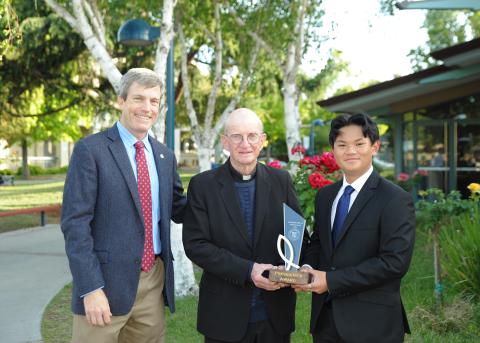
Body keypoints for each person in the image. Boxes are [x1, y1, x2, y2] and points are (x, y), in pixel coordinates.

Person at [61, 68, 186, 343]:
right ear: (121, 101)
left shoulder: (164, 156)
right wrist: (90, 288)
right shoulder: (91, 151)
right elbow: (75, 224)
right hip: (103, 286)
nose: (147, 108)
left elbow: (181, 208)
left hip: (152, 282)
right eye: (138, 99)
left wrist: (223, 189)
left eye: (154, 101)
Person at [183, 108, 304, 343]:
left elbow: (296, 233)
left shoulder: (281, 181)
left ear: (263, 140)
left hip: (275, 312)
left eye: (252, 136)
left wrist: (298, 267)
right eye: (236, 136)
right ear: (225, 141)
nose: (245, 143)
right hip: (224, 313)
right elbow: (196, 245)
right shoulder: (202, 185)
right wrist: (249, 270)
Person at [294, 113, 415, 343]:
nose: (350, 151)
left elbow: (393, 263)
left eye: (359, 144)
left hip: (373, 325)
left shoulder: (395, 199)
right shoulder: (326, 196)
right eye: (342, 144)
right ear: (333, 149)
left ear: (375, 147)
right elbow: (320, 243)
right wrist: (307, 270)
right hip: (325, 322)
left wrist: (330, 280)